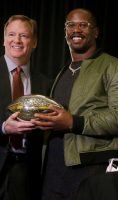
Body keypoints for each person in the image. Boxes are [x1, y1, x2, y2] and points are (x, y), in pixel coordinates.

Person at [32, 8, 118, 200]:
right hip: (53, 172)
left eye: (83, 25)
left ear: (96, 32)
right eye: (70, 25)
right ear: (65, 32)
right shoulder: (63, 72)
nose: (76, 30)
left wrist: (74, 122)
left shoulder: (117, 68)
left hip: (91, 170)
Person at [0, 15, 51, 200]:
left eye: (24, 35)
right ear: (4, 39)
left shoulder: (46, 85)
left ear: (34, 42)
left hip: (27, 174)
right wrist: (4, 127)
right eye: (12, 34)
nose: (17, 40)